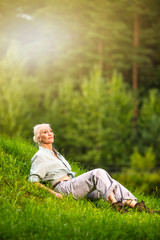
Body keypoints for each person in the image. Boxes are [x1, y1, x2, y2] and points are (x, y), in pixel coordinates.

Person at [28, 123, 159, 214]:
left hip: (74, 188)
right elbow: (33, 181)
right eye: (45, 132)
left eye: (50, 131)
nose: (50, 133)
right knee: (98, 172)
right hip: (63, 189)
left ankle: (138, 207)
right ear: (39, 138)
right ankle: (115, 206)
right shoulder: (40, 156)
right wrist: (55, 194)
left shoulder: (56, 153)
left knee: (112, 183)